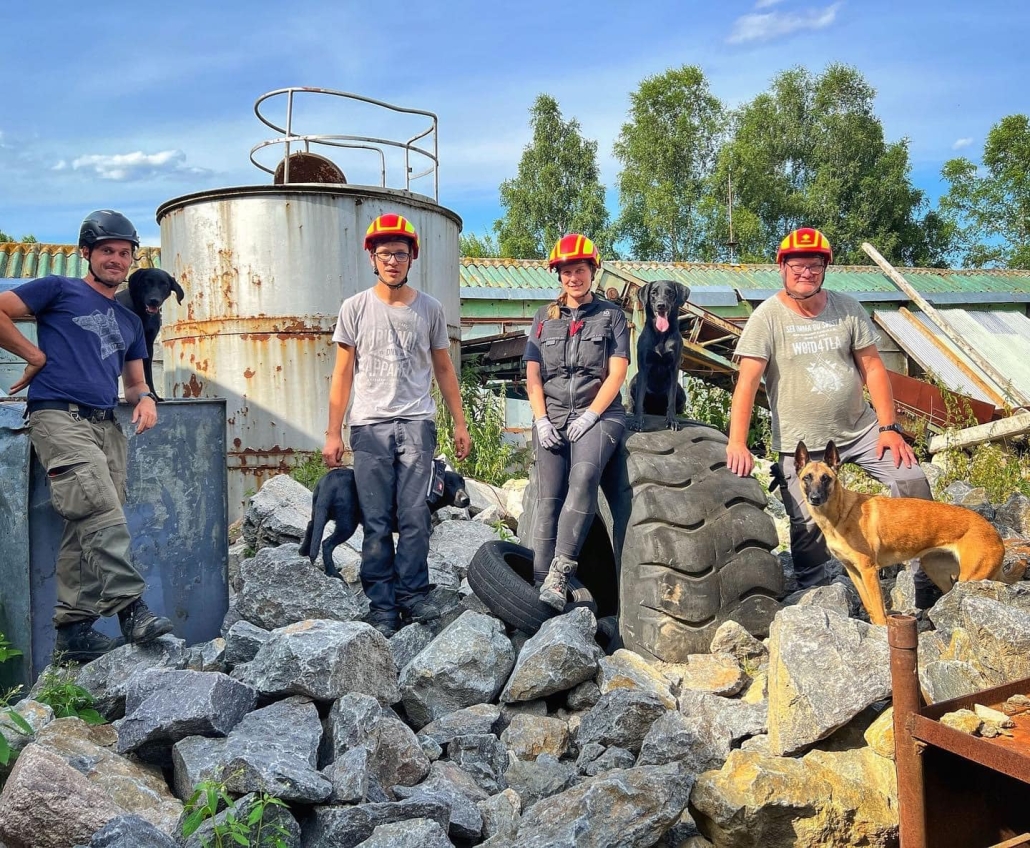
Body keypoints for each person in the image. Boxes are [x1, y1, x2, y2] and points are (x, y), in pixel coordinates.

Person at [726, 227, 940, 607]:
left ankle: (925, 578)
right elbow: (747, 383)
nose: (805, 273)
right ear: (782, 267)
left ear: (825, 268)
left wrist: (889, 428)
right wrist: (737, 442)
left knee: (911, 480)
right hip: (800, 446)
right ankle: (815, 592)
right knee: (807, 521)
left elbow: (873, 369)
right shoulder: (766, 318)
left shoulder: (847, 309)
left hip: (861, 431)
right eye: (797, 265)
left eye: (814, 265)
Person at [0, 210, 174, 661]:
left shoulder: (130, 321)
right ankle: (131, 609)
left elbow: (134, 382)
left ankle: (73, 628)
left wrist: (145, 398)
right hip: (58, 415)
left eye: (124, 253)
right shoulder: (58, 288)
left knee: (88, 518)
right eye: (107, 251)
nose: (116, 259)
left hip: (105, 425)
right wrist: (34, 355)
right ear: (86, 253)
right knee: (97, 503)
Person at [322, 212, 471, 638]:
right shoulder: (355, 308)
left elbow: (444, 369)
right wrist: (333, 432)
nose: (392, 261)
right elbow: (342, 373)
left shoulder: (430, 309)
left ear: (412, 258)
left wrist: (460, 423)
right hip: (369, 427)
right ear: (372, 257)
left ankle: (412, 596)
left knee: (414, 516)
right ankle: (382, 606)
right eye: (385, 253)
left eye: (400, 254)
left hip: (417, 425)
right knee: (375, 520)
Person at [523, 233, 630, 610]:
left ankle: (560, 573)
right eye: (567, 271)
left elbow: (617, 372)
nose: (574, 277)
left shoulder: (611, 316)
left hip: (600, 414)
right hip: (552, 415)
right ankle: (537, 583)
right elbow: (533, 375)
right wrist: (540, 420)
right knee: (548, 498)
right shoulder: (543, 318)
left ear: (592, 272)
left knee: (583, 477)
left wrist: (591, 414)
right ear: (559, 275)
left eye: (580, 270)